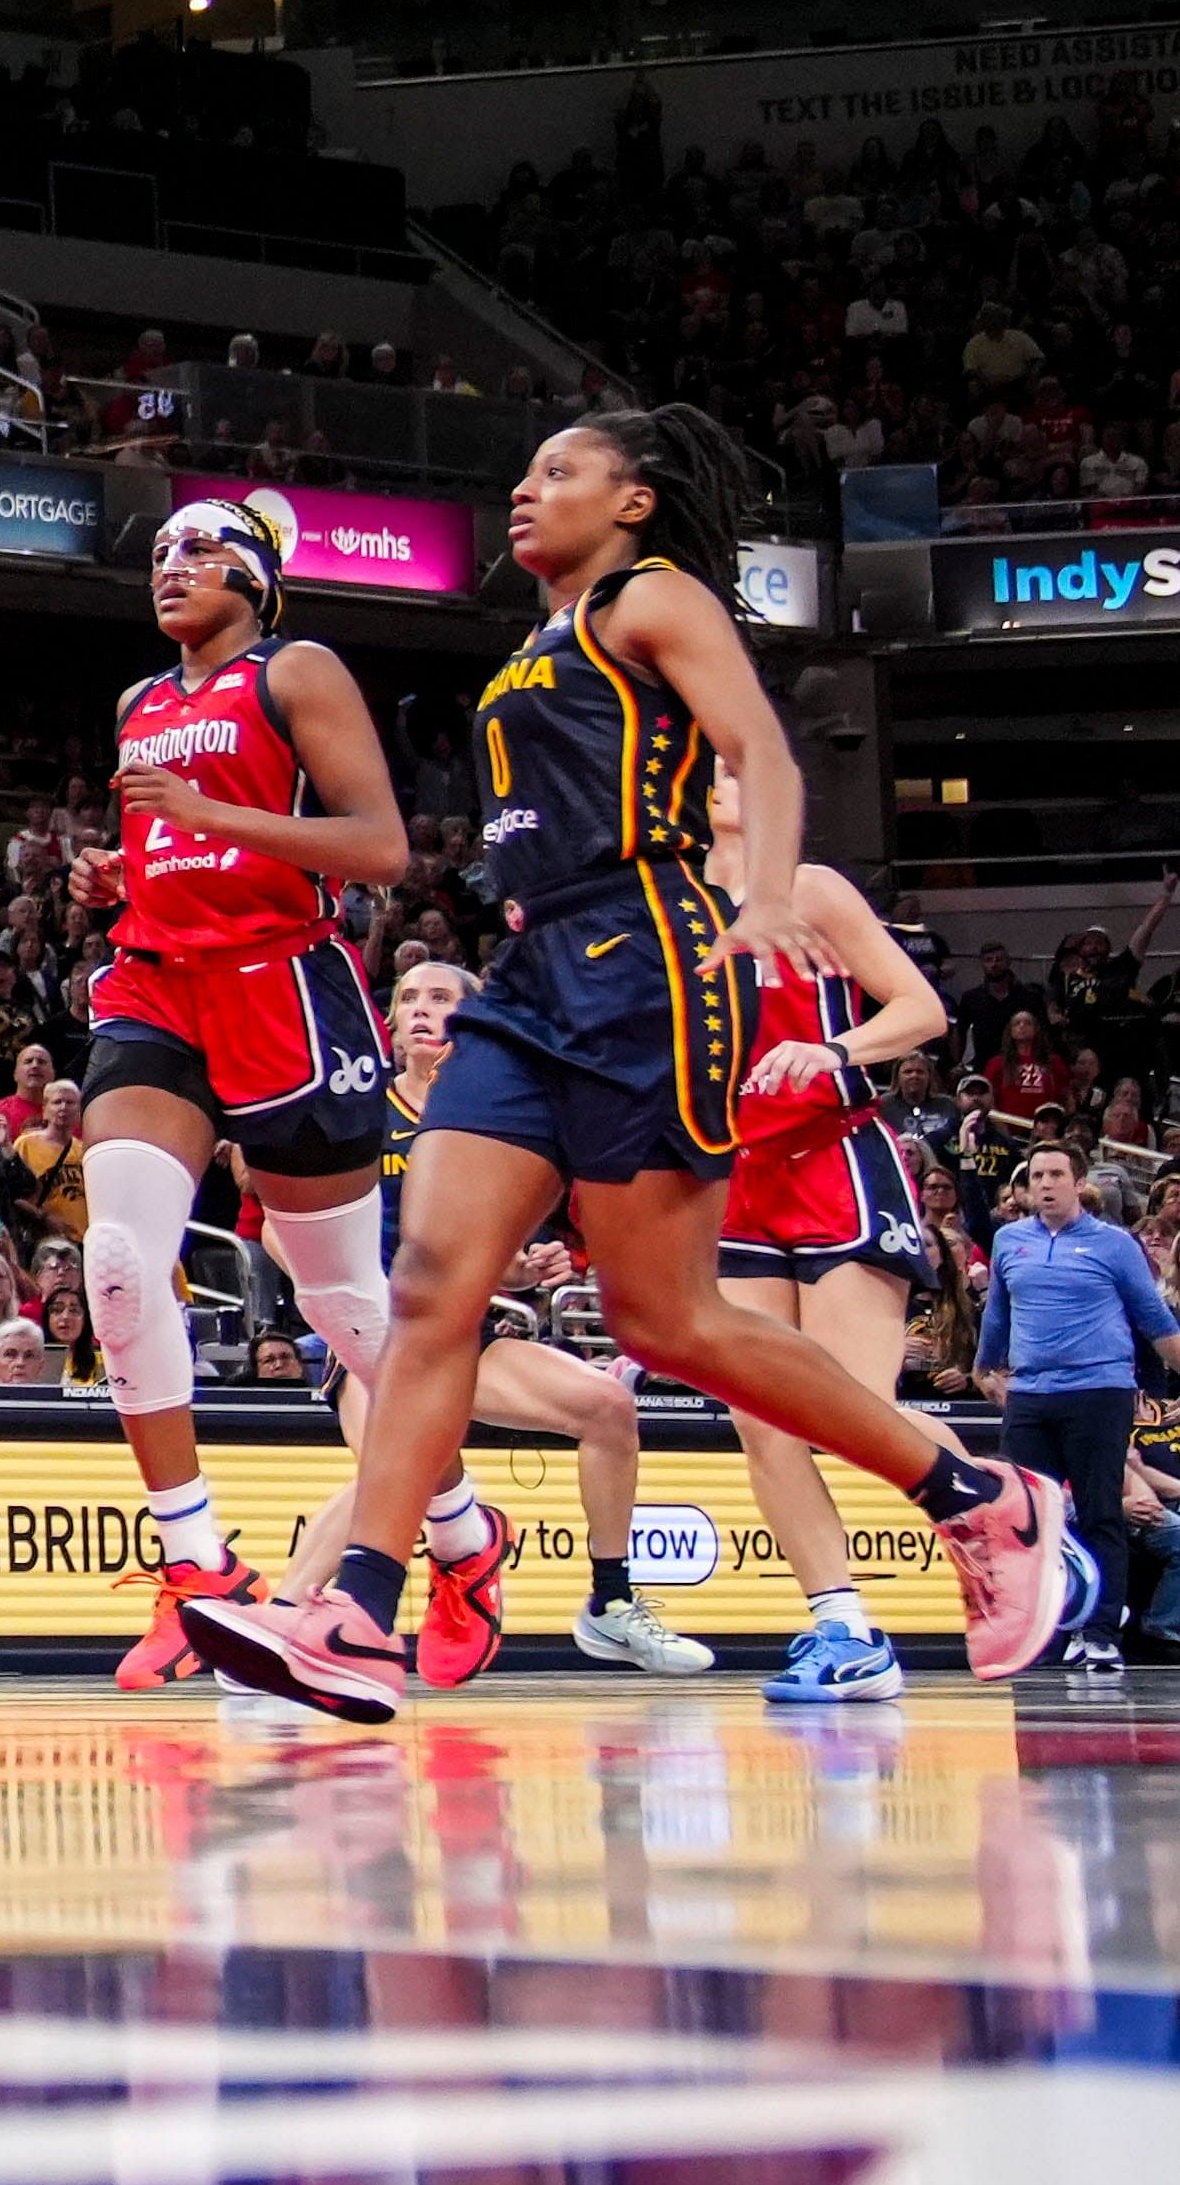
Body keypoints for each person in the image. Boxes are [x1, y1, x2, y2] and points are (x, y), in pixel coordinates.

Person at [193, 412, 1086, 1720]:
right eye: (523, 466)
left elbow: (762, 755)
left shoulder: (647, 596)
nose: (521, 486)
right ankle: (355, 1614)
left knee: (667, 1323)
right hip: (533, 975)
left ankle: (982, 1497)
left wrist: (769, 896)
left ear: (631, 502)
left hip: (647, 961)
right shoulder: (538, 642)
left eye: (557, 468)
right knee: (431, 1287)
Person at [50, 500, 420, 1688]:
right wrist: (119, 872)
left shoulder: (295, 670)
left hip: (283, 984)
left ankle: (463, 1539)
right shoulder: (138, 705)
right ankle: (198, 1565)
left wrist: (207, 817)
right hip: (159, 985)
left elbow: (379, 849)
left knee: (346, 1308)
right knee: (113, 1256)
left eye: (200, 551)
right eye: (156, 554)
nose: (171, 569)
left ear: (257, 578)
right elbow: (166, 856)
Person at [277, 962, 715, 1679]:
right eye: (408, 997)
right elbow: (277, 1225)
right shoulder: (360, 1107)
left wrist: (523, 1267)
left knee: (609, 1407)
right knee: (396, 1464)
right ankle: (291, 1610)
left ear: (478, 1025)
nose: (421, 1009)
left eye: (441, 998)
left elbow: (487, 1248)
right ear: (388, 1024)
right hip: (378, 1329)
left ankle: (610, 1604)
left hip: (467, 1330)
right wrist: (332, 1284)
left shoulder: (495, 1119)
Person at [698, 771, 956, 1703]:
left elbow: (922, 1009)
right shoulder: (668, 910)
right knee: (761, 1420)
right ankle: (843, 1628)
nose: (718, 779)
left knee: (854, 1412)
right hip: (730, 1176)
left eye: (733, 766)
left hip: (836, 1158)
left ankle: (1017, 1511)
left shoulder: (808, 890)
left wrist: (837, 1048)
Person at [980, 1139, 1180, 1677]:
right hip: (1030, 1396)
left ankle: (1100, 1633)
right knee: (1028, 1520)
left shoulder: (1114, 1245)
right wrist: (984, 1369)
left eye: (1054, 1175)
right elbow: (998, 1311)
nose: (1044, 1184)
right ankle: (1042, 1631)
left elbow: (1154, 1319)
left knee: (1099, 1513)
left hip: (1099, 1393)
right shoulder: (1007, 1241)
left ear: (1078, 1183)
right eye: (1036, 1175)